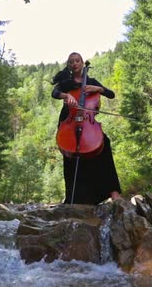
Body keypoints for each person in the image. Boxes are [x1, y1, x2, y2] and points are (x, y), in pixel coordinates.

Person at [51, 52, 122, 205]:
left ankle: (113, 192)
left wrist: (99, 89)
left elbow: (111, 94)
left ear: (82, 63)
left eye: (77, 61)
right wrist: (66, 96)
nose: (74, 63)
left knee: (105, 144)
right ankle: (74, 198)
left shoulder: (91, 82)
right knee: (71, 155)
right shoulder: (66, 82)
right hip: (69, 120)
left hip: (88, 122)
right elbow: (54, 92)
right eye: (71, 62)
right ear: (69, 65)